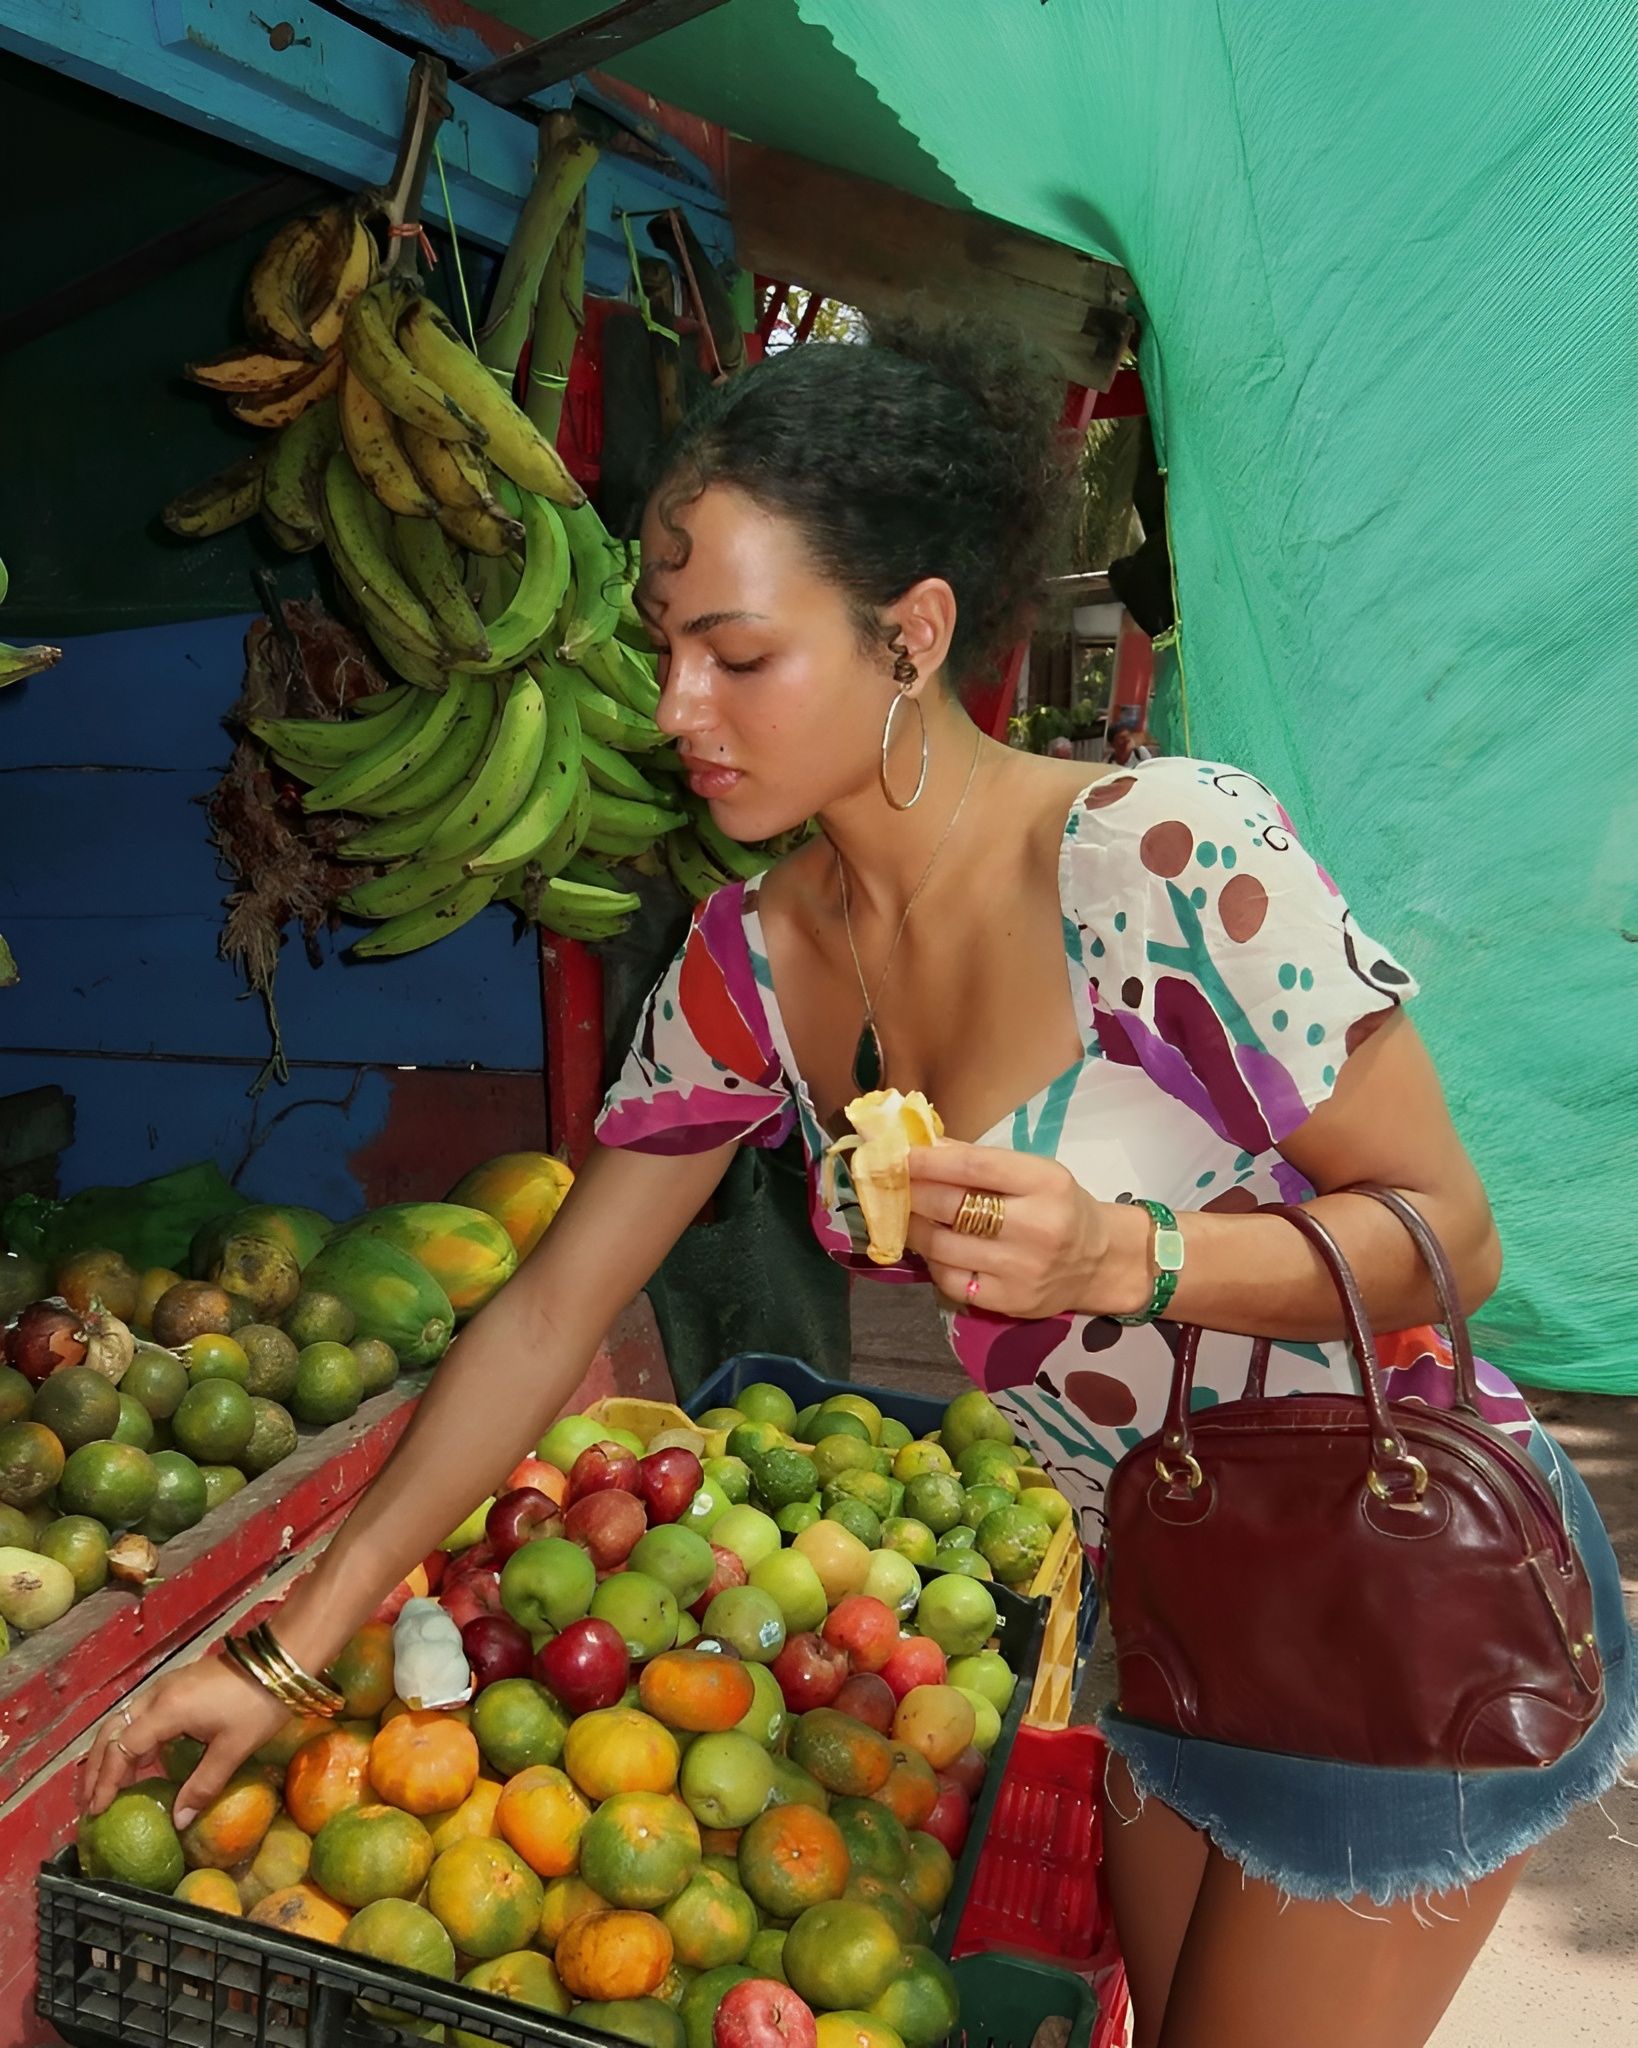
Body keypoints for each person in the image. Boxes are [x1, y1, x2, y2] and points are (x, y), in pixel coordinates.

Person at [85, 322, 1635, 2048]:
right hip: (1169, 1587)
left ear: (910, 636)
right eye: (667, 649)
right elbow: (545, 1312)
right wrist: (296, 1647)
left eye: (737, 655)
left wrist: (1130, 1256)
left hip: (1387, 1583)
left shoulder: (1159, 860)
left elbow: (1449, 1240)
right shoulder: (749, 965)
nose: (679, 709)